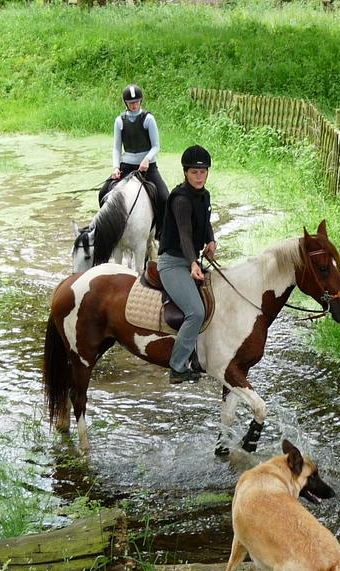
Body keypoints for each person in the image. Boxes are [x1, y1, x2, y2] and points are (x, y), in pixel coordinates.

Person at [158, 145, 217, 384]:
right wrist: (193, 263)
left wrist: (211, 240)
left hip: (191, 259)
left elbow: (205, 222)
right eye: (194, 172)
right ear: (185, 173)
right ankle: (177, 366)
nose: (199, 177)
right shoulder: (181, 199)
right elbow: (184, 235)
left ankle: (201, 356)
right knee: (196, 312)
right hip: (173, 263)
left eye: (203, 172)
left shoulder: (205, 195)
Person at [103, 84, 170, 238]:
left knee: (164, 197)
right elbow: (116, 148)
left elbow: (156, 146)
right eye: (130, 103)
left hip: (147, 166)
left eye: (136, 102)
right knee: (103, 193)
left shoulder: (148, 119)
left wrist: (147, 159)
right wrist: (115, 167)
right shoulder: (120, 121)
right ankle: (108, 228)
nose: (134, 105)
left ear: (141, 101)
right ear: (125, 103)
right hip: (126, 165)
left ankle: (161, 232)